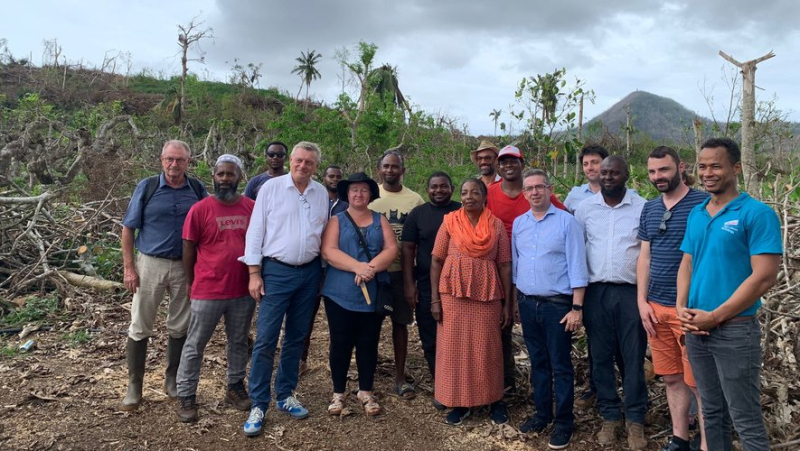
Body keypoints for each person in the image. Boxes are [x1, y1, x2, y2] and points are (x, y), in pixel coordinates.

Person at [678, 138, 781, 451]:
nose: (708, 172)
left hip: (735, 330)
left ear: (735, 168)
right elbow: (687, 262)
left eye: (716, 166)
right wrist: (681, 306)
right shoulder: (697, 213)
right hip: (697, 329)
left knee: (745, 417)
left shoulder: (756, 214)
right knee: (711, 411)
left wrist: (716, 317)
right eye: (703, 166)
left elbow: (764, 277)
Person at [240, 142, 329, 437]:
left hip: (309, 272)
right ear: (290, 160)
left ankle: (286, 394)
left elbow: (323, 232)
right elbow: (256, 230)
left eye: (309, 163)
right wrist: (254, 272)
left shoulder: (321, 193)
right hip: (276, 271)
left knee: (296, 337)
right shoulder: (271, 188)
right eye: (299, 160)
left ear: (316, 166)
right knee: (266, 338)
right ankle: (258, 402)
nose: (303, 166)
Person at [119, 140, 207, 411]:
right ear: (161, 160)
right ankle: (135, 386)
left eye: (180, 160)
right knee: (140, 323)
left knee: (180, 324)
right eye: (170, 159)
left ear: (188, 162)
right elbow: (128, 228)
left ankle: (172, 379)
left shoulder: (196, 189)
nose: (174, 165)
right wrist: (129, 267)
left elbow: (206, 225)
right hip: (150, 263)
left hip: (184, 266)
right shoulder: (147, 187)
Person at [636, 146, 708, 451]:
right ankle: (679, 438)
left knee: (700, 383)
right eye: (652, 171)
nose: (657, 177)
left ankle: (708, 442)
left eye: (663, 170)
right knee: (672, 378)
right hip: (656, 308)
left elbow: (708, 256)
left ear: (681, 167)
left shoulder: (703, 203)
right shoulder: (650, 208)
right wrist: (642, 302)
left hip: (690, 310)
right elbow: (645, 257)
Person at [574, 156, 648, 450]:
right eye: (603, 172)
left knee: (632, 357)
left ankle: (635, 419)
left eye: (614, 172)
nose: (607, 176)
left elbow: (648, 253)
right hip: (596, 293)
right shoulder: (585, 208)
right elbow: (577, 249)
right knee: (600, 357)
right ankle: (609, 416)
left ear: (627, 174)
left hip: (631, 292)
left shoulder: (642, 207)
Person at [175, 155, 256, 422]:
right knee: (195, 344)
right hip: (208, 289)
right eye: (220, 174)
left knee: (238, 341)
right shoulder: (200, 209)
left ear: (239, 178)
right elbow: (188, 247)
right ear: (213, 177)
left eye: (230, 174)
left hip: (242, 290)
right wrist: (190, 281)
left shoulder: (251, 208)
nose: (224, 179)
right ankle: (186, 394)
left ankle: (234, 386)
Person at [513, 169, 588, 450]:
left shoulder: (568, 223)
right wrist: (516, 302)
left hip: (557, 305)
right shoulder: (520, 224)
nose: (534, 192)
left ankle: (564, 421)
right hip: (528, 303)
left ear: (549, 189)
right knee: (538, 363)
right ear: (524, 193)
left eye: (539, 187)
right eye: (529, 188)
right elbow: (516, 268)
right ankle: (543, 413)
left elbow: (578, 267)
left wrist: (577, 308)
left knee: (561, 365)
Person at [430, 178, 512, 426]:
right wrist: (434, 299)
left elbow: (505, 265)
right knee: (454, 350)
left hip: (487, 294)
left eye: (475, 192)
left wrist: (508, 303)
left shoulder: (496, 225)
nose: (469, 197)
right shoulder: (449, 222)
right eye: (464, 192)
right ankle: (458, 402)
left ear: (485, 196)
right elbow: (436, 261)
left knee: (487, 349)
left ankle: (493, 400)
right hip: (452, 295)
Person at [485, 145, 565, 397]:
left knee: (532, 333)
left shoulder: (536, 191)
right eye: (503, 162)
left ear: (522, 164)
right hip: (495, 266)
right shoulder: (489, 193)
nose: (508, 166)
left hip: (527, 270)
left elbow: (564, 219)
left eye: (513, 161)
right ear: (498, 167)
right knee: (499, 327)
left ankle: (546, 391)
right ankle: (503, 384)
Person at [320, 173, 398, 416]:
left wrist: (370, 268)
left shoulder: (379, 220)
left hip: (372, 294)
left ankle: (366, 390)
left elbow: (392, 248)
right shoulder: (337, 220)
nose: (358, 194)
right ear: (347, 194)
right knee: (340, 342)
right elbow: (328, 251)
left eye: (363, 190)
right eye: (354, 190)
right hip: (339, 294)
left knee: (368, 343)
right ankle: (338, 392)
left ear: (370, 194)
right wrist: (357, 267)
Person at [368, 150, 425, 400]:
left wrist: (415, 280)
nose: (390, 170)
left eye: (395, 166)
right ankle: (366, 377)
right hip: (375, 272)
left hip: (403, 272)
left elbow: (421, 238)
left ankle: (400, 377)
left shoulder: (414, 200)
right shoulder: (370, 197)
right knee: (369, 325)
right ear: (378, 170)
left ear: (403, 170)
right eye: (386, 166)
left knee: (400, 324)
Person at [401, 172, 461, 384]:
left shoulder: (461, 211)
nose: (439, 191)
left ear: (451, 189)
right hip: (426, 283)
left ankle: (458, 380)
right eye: (434, 187)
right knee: (430, 333)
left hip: (458, 284)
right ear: (427, 190)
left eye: (443, 186)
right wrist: (409, 284)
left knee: (456, 335)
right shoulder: (417, 214)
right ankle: (440, 382)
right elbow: (408, 249)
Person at [300, 165, 349, 375]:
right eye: (331, 176)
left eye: (339, 177)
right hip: (312, 265)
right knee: (305, 316)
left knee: (337, 318)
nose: (335, 180)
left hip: (336, 268)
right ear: (324, 177)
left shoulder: (346, 205)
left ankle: (335, 362)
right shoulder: (316, 199)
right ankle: (300, 359)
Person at [563, 144, 609, 212]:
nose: (590, 168)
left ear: (607, 164)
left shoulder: (620, 193)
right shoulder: (575, 194)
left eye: (595, 162)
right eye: (585, 164)